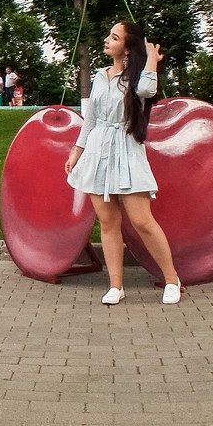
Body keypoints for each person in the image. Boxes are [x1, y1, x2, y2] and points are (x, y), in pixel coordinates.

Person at [64, 21, 181, 305]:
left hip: (126, 150)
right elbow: (91, 119)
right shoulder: (99, 76)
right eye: (109, 35)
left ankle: (172, 279)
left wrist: (151, 58)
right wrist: (77, 151)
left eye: (114, 37)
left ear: (127, 48)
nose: (107, 40)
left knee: (142, 221)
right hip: (97, 151)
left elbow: (148, 91)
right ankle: (116, 286)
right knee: (107, 221)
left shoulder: (137, 78)